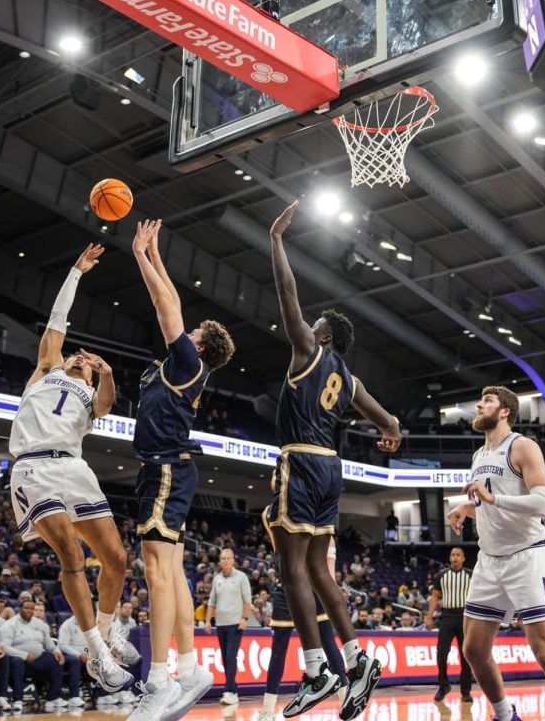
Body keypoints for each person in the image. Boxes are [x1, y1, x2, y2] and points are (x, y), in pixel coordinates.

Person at [268, 201, 402, 719]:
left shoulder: (308, 351)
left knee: (291, 568)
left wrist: (277, 240)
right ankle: (356, 658)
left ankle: (316, 668)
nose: (309, 322)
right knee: (321, 573)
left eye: (315, 322)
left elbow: (286, 294)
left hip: (300, 462)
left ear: (321, 334)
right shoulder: (350, 379)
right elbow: (390, 422)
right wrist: (389, 435)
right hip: (330, 471)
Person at [7, 243, 137, 695]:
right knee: (72, 555)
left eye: (85, 359)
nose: (78, 355)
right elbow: (56, 325)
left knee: (118, 559)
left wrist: (105, 373)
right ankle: (97, 655)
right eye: (75, 355)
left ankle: (108, 632)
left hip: (75, 468)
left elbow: (106, 402)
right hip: (34, 468)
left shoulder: (90, 395)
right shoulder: (47, 369)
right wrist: (76, 272)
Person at [128, 219, 233, 721]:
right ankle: (189, 669)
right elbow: (173, 303)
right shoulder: (187, 365)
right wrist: (156, 253)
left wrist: (139, 258)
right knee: (168, 569)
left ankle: (159, 680)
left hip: (165, 468)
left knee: (156, 570)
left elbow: (165, 305)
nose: (183, 331)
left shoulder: (190, 363)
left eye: (192, 334)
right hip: (168, 469)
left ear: (201, 346)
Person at [447, 386, 545, 721]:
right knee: (474, 649)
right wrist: (469, 507)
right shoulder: (479, 456)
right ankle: (505, 714)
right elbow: (490, 505)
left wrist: (492, 500)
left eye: (487, 401)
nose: (479, 405)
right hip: (490, 560)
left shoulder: (522, 446)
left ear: (505, 411)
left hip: (526, 557)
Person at [256, 499, 346, 721]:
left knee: (329, 643)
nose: (278, 477)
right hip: (286, 586)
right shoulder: (270, 511)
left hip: (313, 587)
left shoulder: (310, 507)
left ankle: (347, 700)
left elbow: (327, 548)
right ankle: (267, 710)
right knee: (278, 649)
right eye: (276, 475)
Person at [203, 548, 252, 706]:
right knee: (225, 658)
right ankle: (233, 689)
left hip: (235, 623)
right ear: (219, 561)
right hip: (221, 624)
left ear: (233, 560)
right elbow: (211, 602)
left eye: (227, 558)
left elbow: (247, 600)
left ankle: (229, 691)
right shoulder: (217, 579)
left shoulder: (241, 577)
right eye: (222, 558)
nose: (225, 560)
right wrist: (208, 621)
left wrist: (245, 618)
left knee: (231, 657)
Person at [0, 600, 67, 711]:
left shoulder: (40, 624)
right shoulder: (10, 625)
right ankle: (18, 700)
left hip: (38, 657)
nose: (29, 611)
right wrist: (24, 655)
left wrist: (56, 651)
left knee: (56, 660)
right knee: (16, 662)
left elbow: (48, 643)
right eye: (26, 608)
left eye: (32, 608)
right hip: (19, 659)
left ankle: (53, 698)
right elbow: (4, 647)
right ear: (20, 609)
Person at [427, 547, 472, 702]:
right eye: (452, 555)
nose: (455, 557)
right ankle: (443, 685)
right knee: (441, 652)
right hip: (446, 616)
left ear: (463, 558)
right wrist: (429, 617)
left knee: (465, 654)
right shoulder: (441, 575)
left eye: (458, 555)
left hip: (465, 616)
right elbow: (434, 597)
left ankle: (465, 690)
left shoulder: (470, 575)